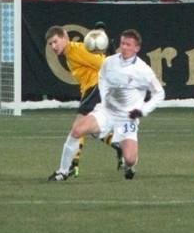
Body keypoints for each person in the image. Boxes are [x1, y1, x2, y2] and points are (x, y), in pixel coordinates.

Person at [48, 29, 165, 181]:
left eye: (55, 41)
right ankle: (64, 170)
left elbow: (159, 93)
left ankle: (127, 164)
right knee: (77, 130)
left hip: (126, 116)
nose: (124, 47)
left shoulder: (143, 70)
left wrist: (142, 110)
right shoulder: (110, 61)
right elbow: (103, 72)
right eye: (122, 43)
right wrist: (104, 96)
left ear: (137, 48)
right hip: (105, 109)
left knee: (130, 158)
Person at [45, 25, 122, 178]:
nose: (53, 46)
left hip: (96, 89)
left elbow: (102, 65)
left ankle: (65, 170)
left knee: (77, 130)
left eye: (55, 42)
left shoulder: (76, 50)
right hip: (92, 90)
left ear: (65, 37)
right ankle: (121, 146)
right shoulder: (70, 53)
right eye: (50, 44)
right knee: (92, 131)